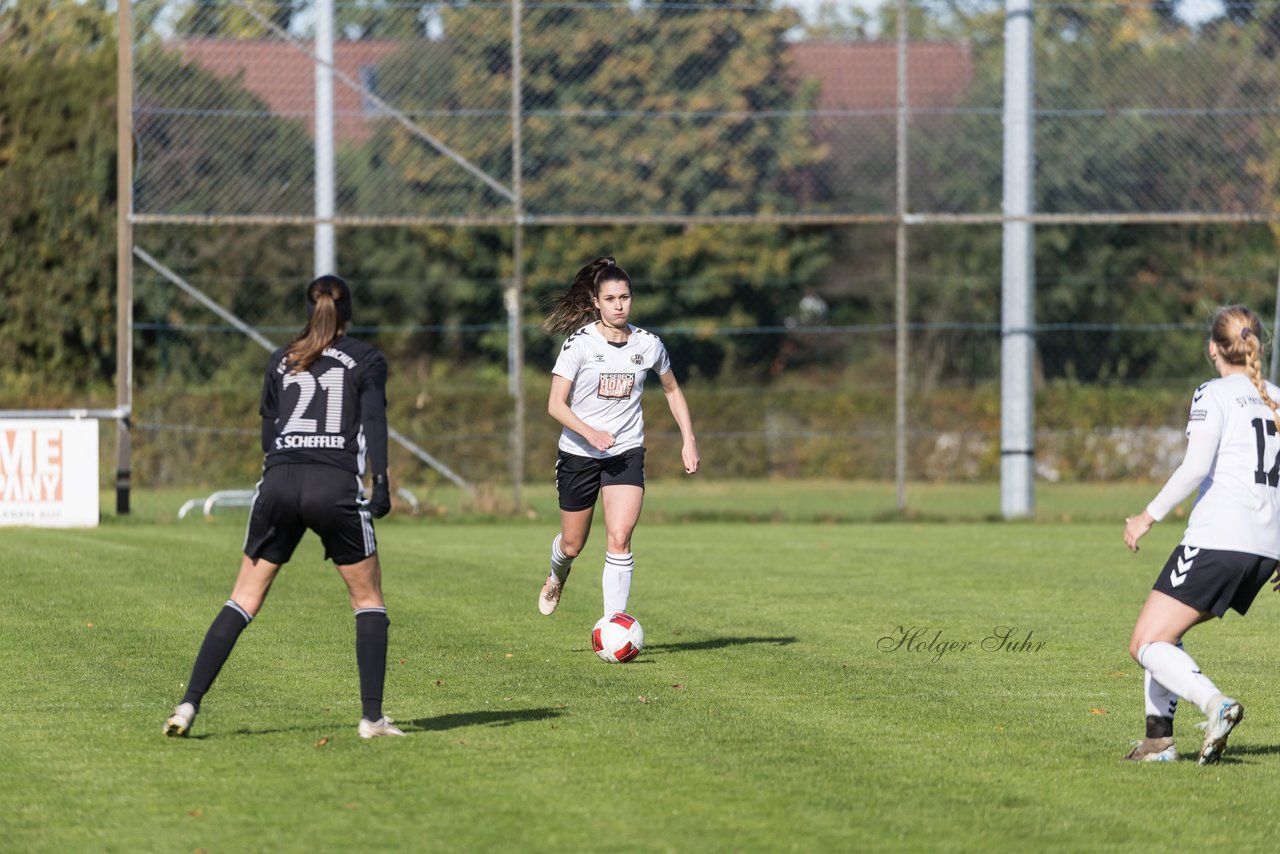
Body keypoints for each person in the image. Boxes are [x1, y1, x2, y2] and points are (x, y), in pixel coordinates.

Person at [164, 275, 402, 739]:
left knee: (243, 597)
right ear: (347, 313)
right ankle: (372, 719)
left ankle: (188, 704)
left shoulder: (282, 359)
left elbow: (269, 434)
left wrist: (281, 474)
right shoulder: (367, 358)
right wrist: (382, 481)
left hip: (278, 483)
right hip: (332, 485)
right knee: (368, 600)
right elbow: (373, 419)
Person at [1122, 304, 1280, 764]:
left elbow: (1195, 467)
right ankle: (1158, 742)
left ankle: (1217, 706)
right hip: (1264, 549)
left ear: (1213, 347)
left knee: (1145, 644)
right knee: (1164, 635)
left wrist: (1146, 516)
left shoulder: (1212, 393)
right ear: (1258, 347)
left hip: (1217, 540)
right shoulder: (1277, 396)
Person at [536, 256, 700, 620]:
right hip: (579, 453)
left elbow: (672, 390)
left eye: (624, 297)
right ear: (596, 301)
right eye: (610, 299)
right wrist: (590, 433)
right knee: (573, 544)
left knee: (620, 538)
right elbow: (555, 405)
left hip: (625, 452)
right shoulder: (578, 345)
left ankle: (614, 623)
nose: (619, 305)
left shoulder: (649, 344)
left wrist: (688, 439)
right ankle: (556, 574)